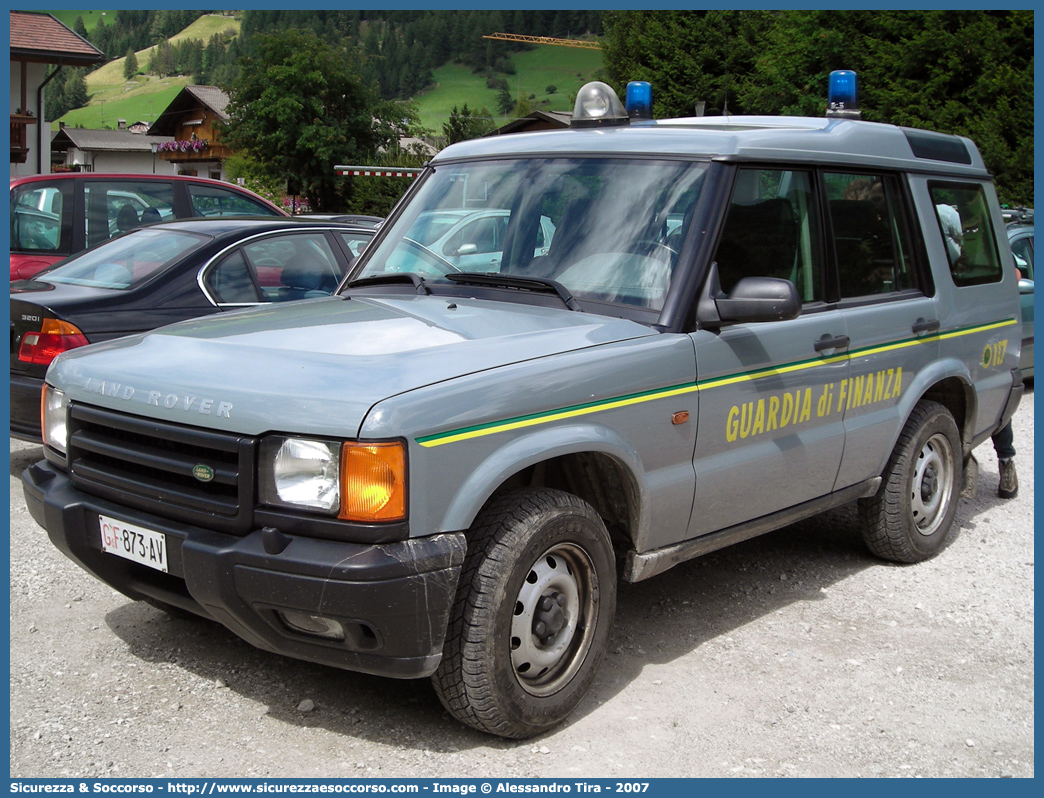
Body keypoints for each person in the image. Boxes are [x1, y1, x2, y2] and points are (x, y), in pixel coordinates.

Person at [934, 201, 1018, 498]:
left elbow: (1012, 280)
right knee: (958, 402)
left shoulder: (974, 260)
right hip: (952, 338)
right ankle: (965, 462)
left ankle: (1006, 462)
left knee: (988, 396)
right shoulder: (930, 255)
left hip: (979, 340)